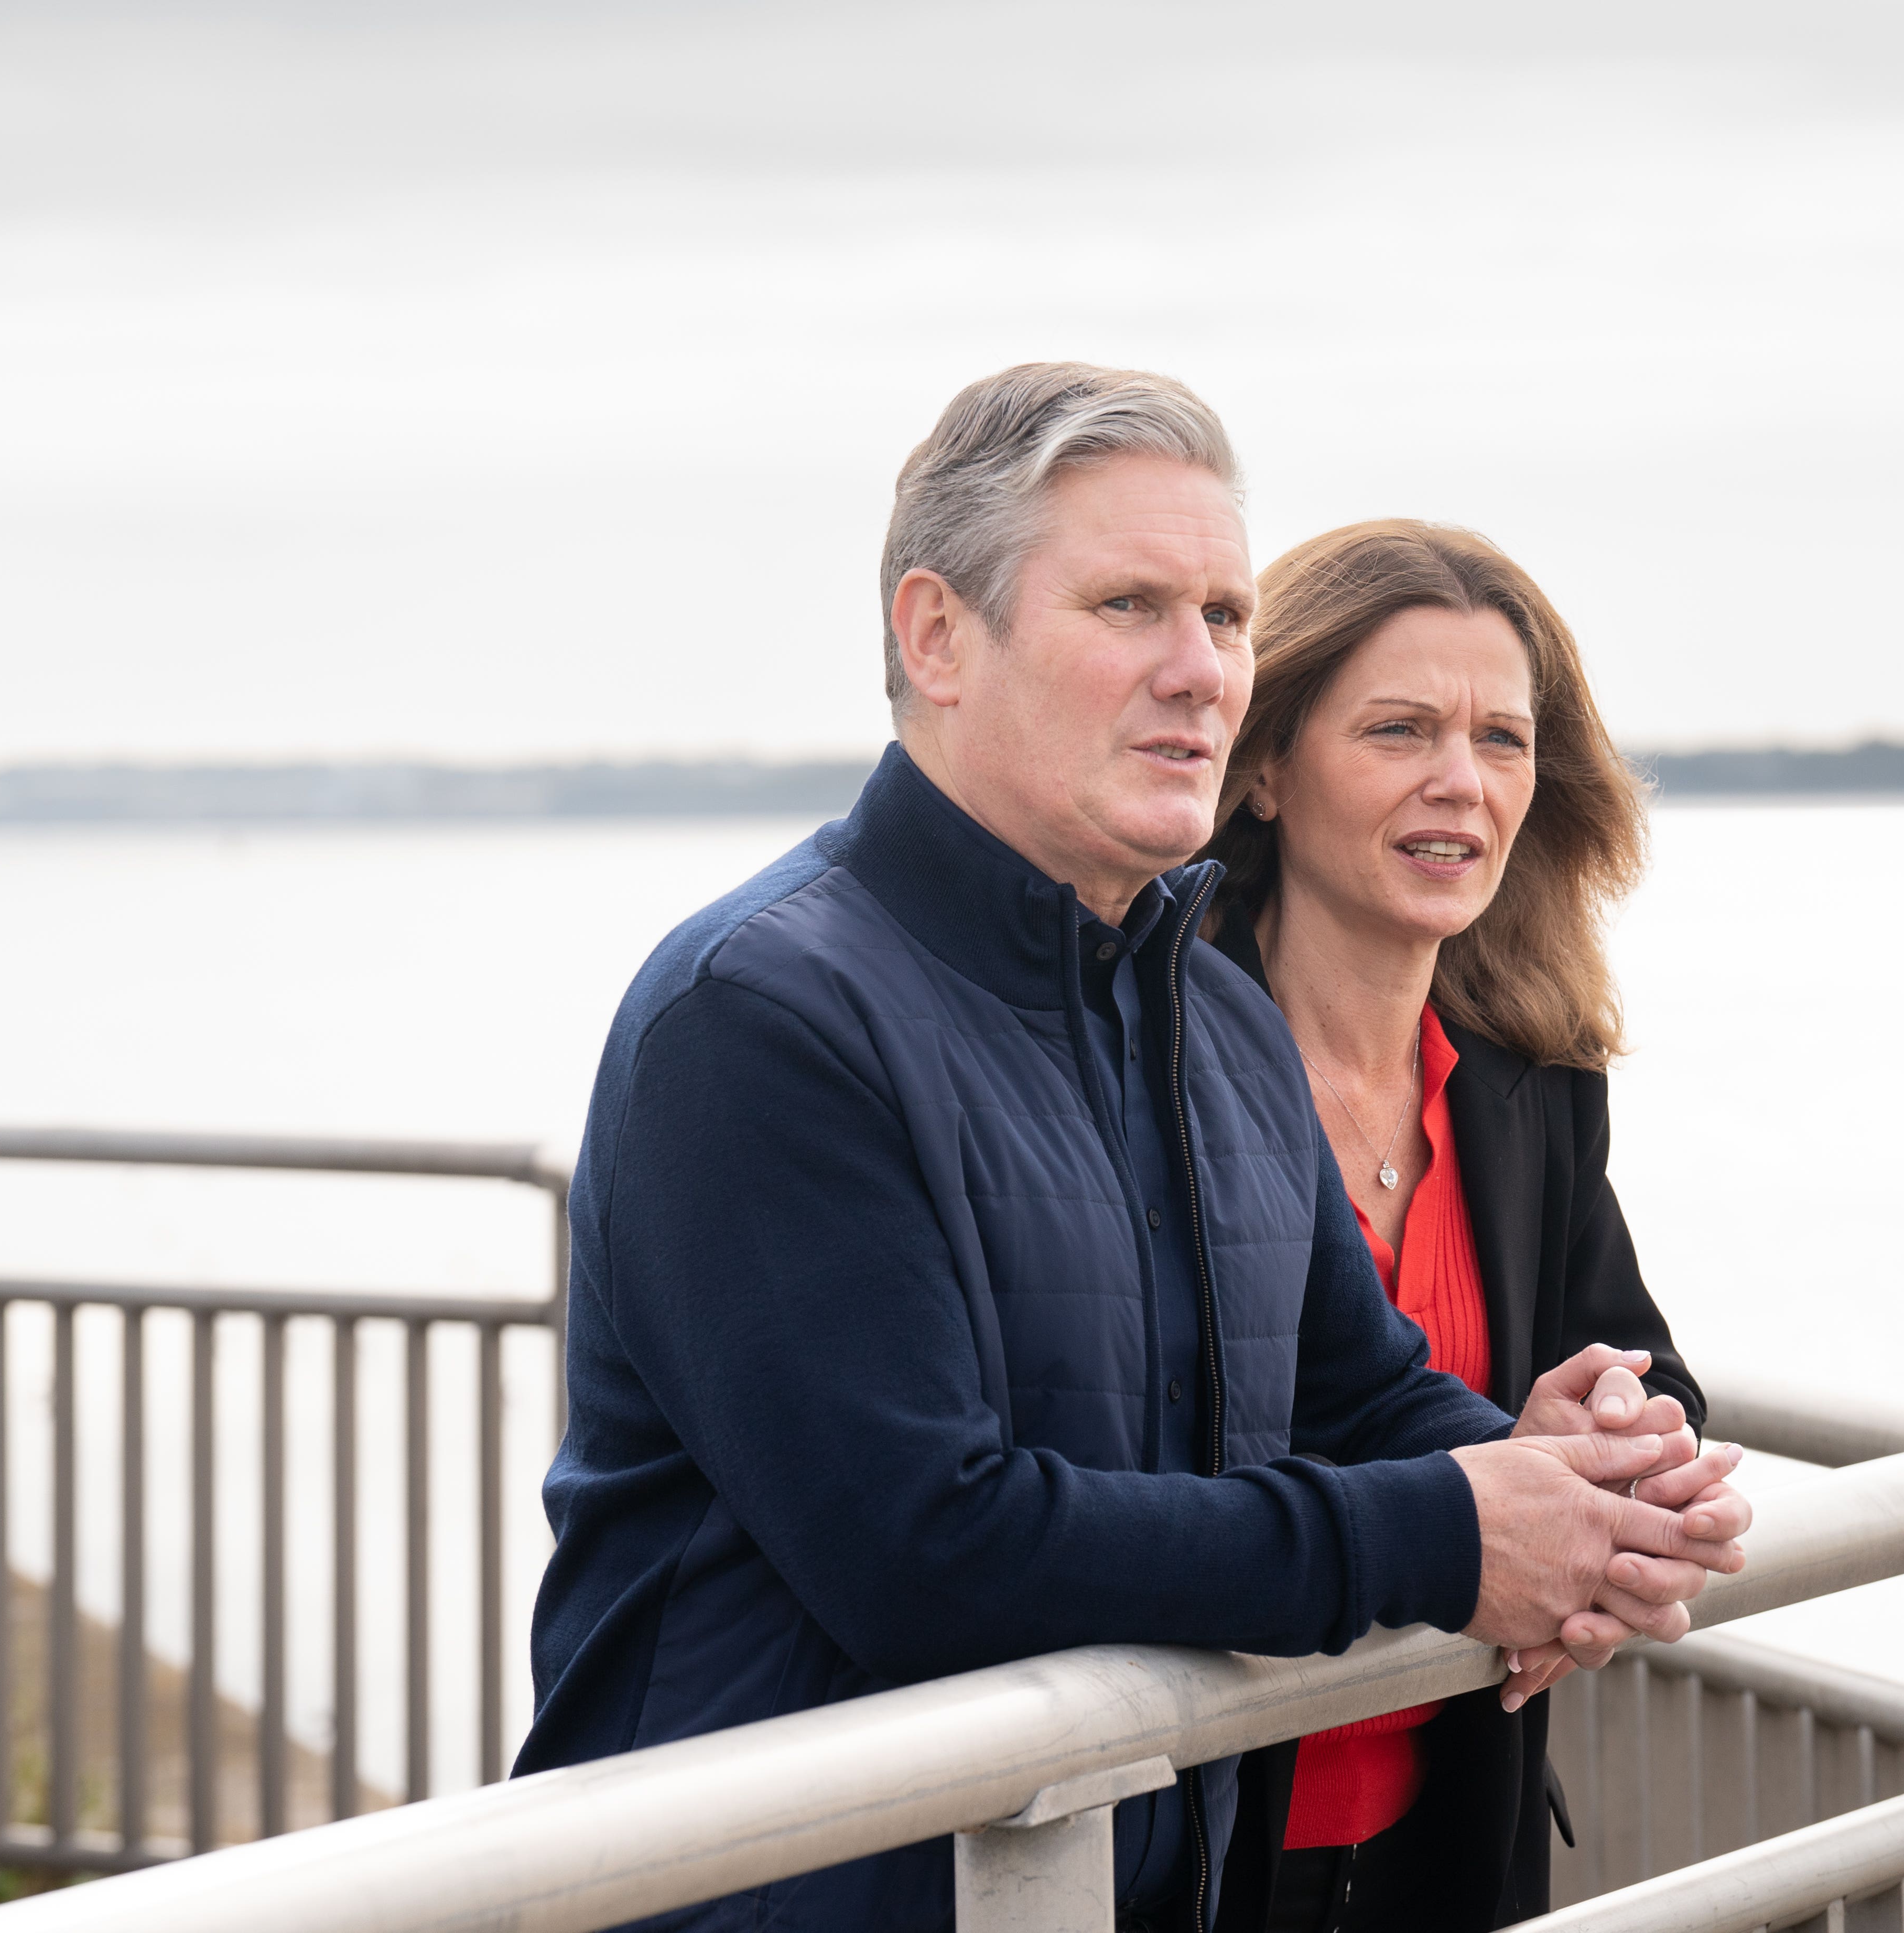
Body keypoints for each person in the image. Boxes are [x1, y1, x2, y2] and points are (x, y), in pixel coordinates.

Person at [516, 366, 1750, 1931]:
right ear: (935, 635)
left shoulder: (1208, 1022)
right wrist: (1455, 1532)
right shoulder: (761, 1016)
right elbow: (926, 1549)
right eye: (1128, 607)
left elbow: (1351, 1387)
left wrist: (1568, 1477)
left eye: (1225, 618)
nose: (1197, 672)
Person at [1196, 519, 1713, 1931]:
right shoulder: (1146, 1067)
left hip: (1449, 1825)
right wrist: (1491, 1495)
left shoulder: (1527, 1080)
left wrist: (1613, 1443)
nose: (1459, 783)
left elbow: (1642, 1366)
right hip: (1193, 1837)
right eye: (1399, 729)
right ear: (1260, 768)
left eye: (1501, 738)